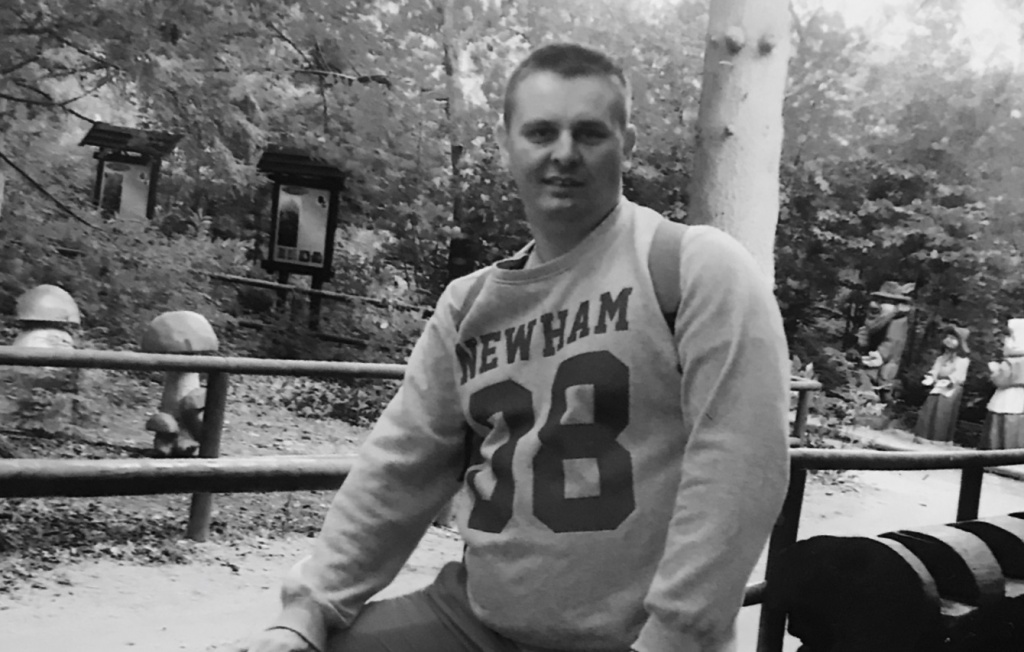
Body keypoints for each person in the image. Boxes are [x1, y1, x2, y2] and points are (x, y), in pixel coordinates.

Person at [238, 42, 790, 652]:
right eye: (541, 131)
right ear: (506, 143)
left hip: (638, 640)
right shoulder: (469, 305)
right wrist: (309, 609)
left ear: (626, 144)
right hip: (476, 621)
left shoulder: (693, 269)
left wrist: (676, 637)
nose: (564, 153)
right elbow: (399, 465)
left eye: (590, 133)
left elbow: (740, 463)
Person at [913, 325, 970, 444]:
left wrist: (950, 380)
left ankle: (939, 439)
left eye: (953, 338)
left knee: (943, 413)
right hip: (938, 386)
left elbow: (959, 376)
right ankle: (923, 436)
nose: (948, 340)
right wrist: (931, 376)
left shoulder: (962, 360)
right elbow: (935, 369)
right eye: (947, 337)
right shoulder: (941, 358)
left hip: (950, 389)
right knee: (929, 408)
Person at [982, 318, 1024, 449]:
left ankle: (996, 451)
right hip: (1020, 398)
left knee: (1000, 424)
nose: (1005, 341)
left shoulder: (1011, 362)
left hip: (1007, 397)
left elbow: (1000, 380)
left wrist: (994, 370)